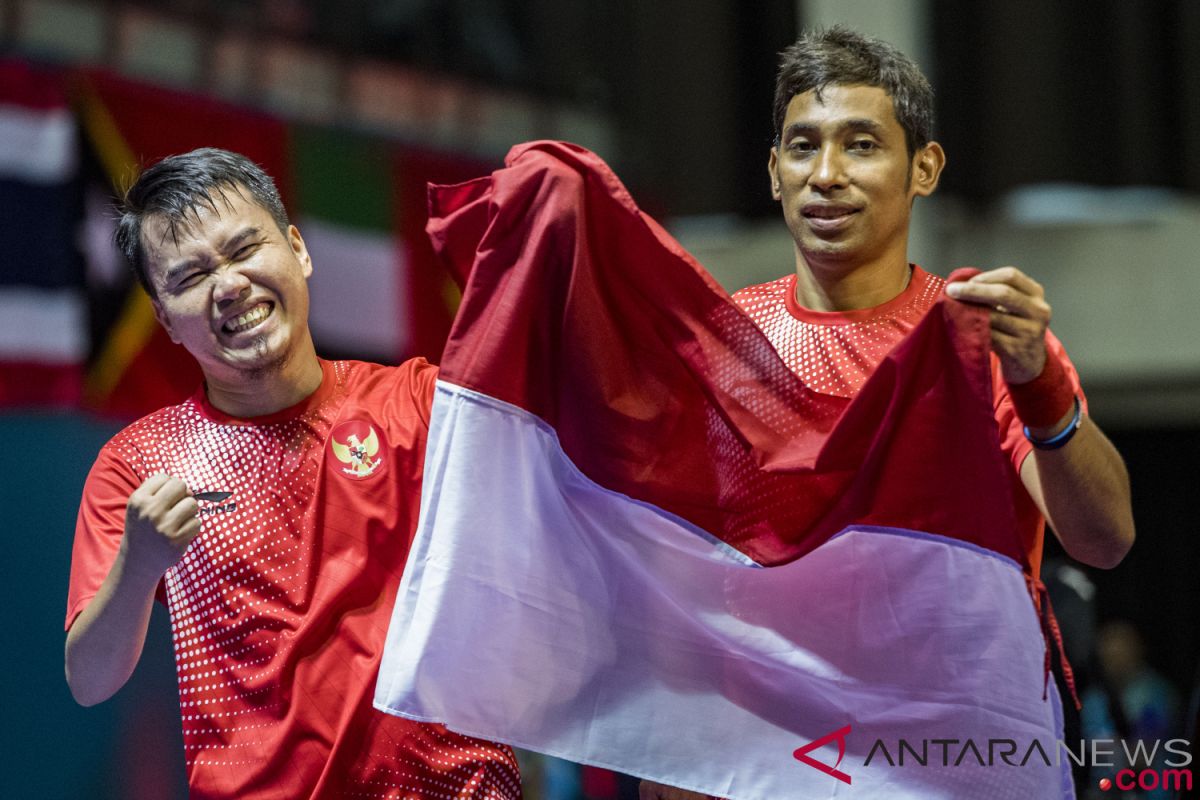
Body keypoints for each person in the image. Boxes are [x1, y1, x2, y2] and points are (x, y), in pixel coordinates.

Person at [640, 25, 1136, 800]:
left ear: (923, 168)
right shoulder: (722, 350)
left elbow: (1103, 540)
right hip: (770, 762)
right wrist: (676, 763)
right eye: (803, 147)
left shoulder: (980, 343)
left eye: (862, 144)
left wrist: (1042, 385)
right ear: (774, 172)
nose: (827, 175)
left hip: (958, 764)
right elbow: (684, 581)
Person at [64, 149, 523, 799]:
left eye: (244, 249)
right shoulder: (141, 465)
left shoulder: (424, 407)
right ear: (164, 318)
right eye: (191, 275)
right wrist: (137, 566)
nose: (227, 285)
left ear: (298, 250)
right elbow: (90, 679)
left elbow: (586, 503)